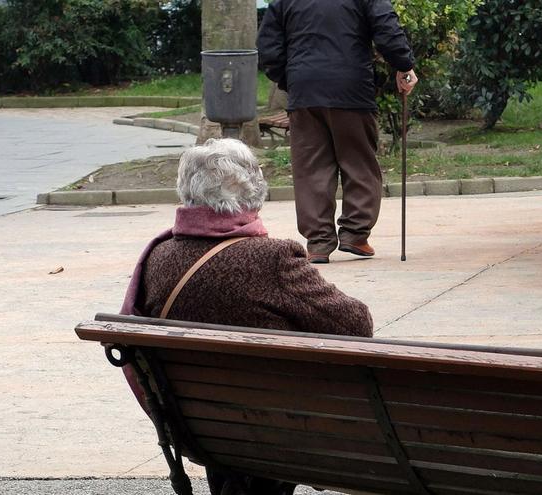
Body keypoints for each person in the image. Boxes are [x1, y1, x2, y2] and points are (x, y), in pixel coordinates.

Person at [119, 138, 374, 495]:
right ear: (254, 189)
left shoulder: (157, 257)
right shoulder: (272, 259)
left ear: (186, 190)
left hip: (198, 426)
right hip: (276, 430)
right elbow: (356, 325)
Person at [258, 0, 418, 264]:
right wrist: (404, 64)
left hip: (304, 89)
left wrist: (290, 78)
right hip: (351, 88)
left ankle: (319, 243)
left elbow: (269, 47)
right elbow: (386, 28)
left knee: (310, 167)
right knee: (359, 162)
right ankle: (355, 235)